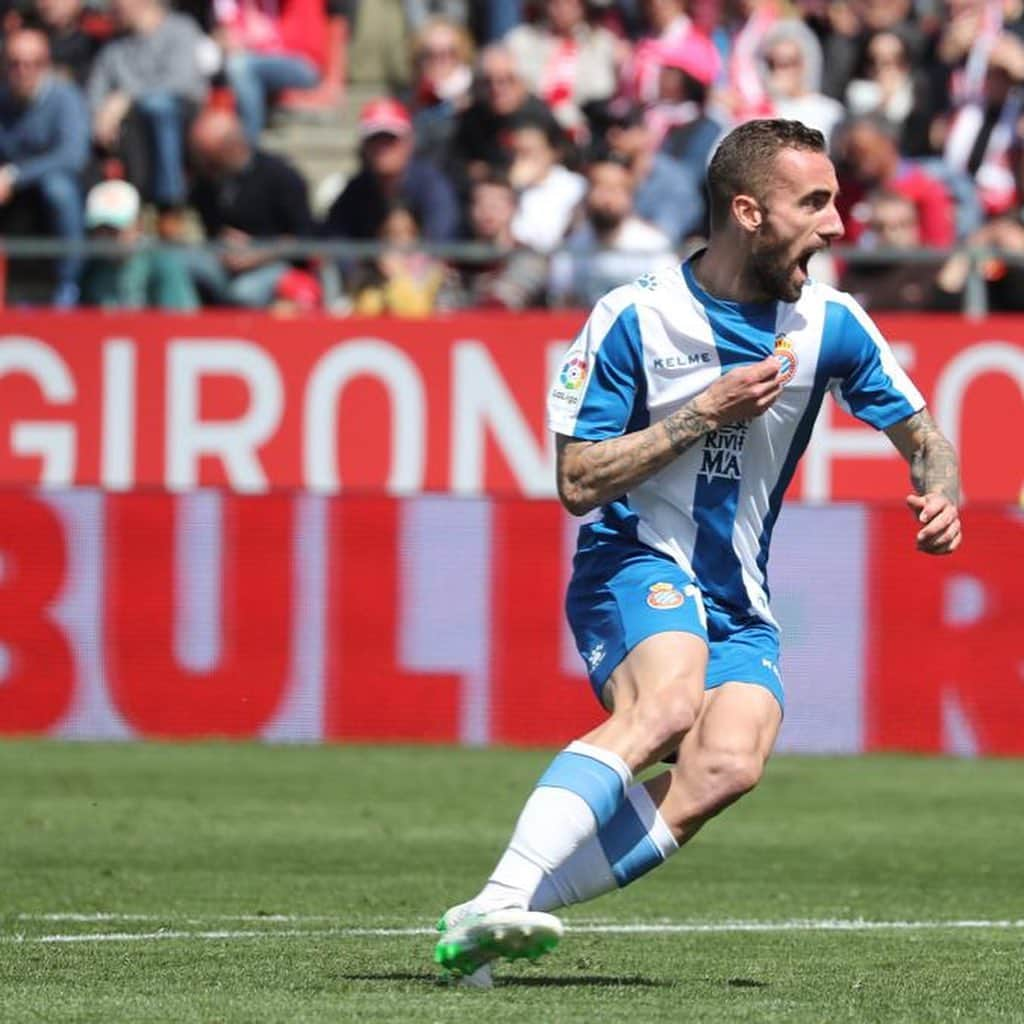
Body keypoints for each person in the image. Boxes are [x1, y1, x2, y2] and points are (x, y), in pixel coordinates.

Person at [433, 118, 962, 984]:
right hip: (635, 557)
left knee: (727, 762)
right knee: (670, 704)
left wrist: (940, 487)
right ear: (748, 212)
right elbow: (577, 481)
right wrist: (700, 414)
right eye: (816, 203)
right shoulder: (635, 316)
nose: (837, 226)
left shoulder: (831, 320)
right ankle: (502, 894)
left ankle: (483, 924)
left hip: (739, 599)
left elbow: (924, 434)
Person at [186, 106, 315, 306]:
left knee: (243, 293)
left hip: (274, 264)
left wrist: (256, 252)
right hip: (223, 263)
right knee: (178, 265)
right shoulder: (207, 182)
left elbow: (304, 239)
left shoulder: (281, 176)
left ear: (231, 147)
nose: (203, 164)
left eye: (209, 157)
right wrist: (224, 242)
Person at [86, 0, 209, 209]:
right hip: (129, 132)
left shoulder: (181, 29)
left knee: (158, 106)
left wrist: (128, 97)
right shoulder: (114, 49)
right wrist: (101, 117)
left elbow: (182, 83)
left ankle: (169, 205)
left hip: (180, 120)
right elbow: (94, 95)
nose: (111, 7)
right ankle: (135, 208)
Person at [0, 27, 89, 307]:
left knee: (57, 188)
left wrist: (14, 176)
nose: (23, 71)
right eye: (15, 63)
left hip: (57, 198)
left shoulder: (65, 99)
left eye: (32, 63)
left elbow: (72, 156)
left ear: (46, 64)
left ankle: (68, 286)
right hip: (12, 200)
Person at [548, 151, 674, 307]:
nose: (607, 199)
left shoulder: (653, 248)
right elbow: (562, 303)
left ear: (630, 195)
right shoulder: (572, 248)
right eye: (600, 188)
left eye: (616, 189)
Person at [214, 0, 326, 144]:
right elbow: (227, 38)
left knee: (240, 65)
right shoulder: (232, 7)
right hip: (260, 66)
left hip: (302, 63)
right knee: (235, 65)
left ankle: (248, 146)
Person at [79, 178, 199, 309]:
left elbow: (181, 323)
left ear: (138, 225)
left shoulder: (163, 263)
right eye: (100, 229)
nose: (107, 237)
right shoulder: (90, 269)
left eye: (115, 229)